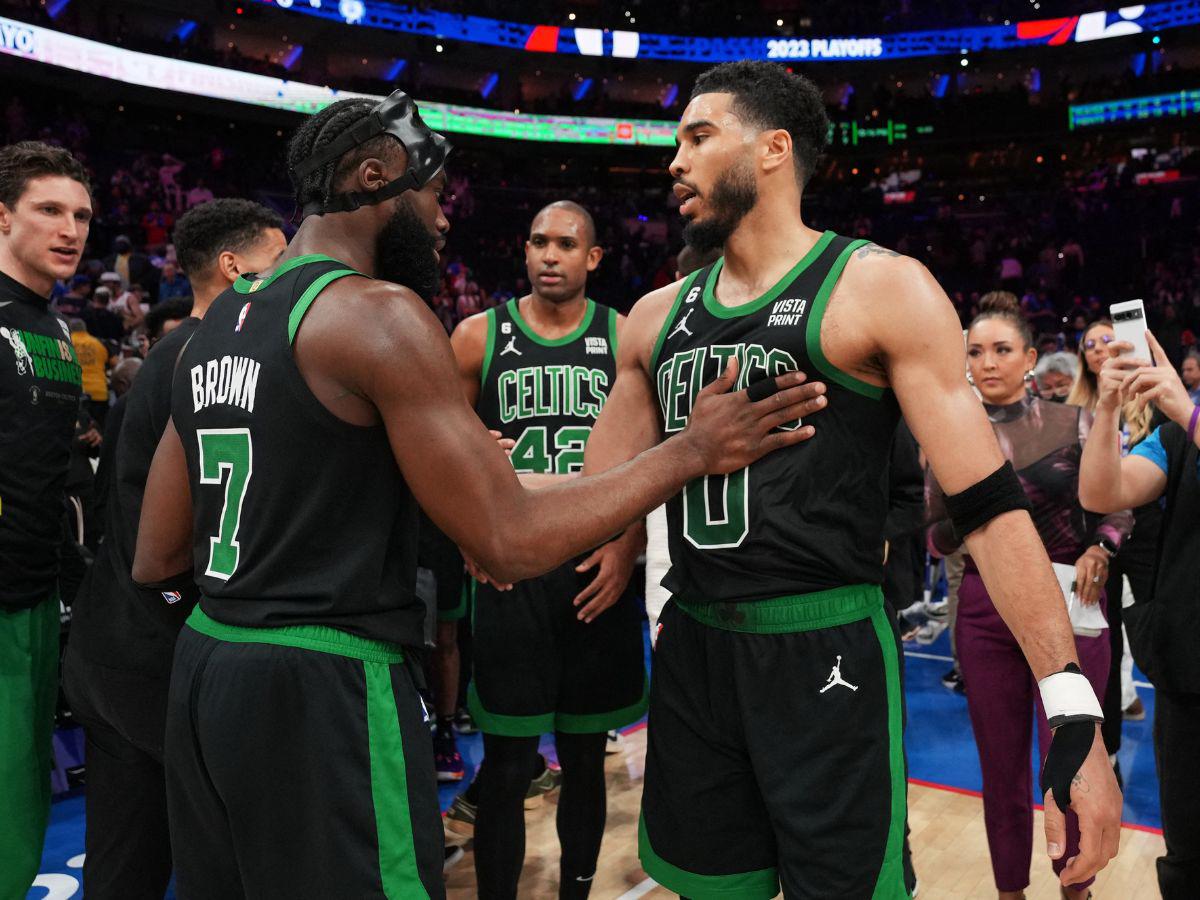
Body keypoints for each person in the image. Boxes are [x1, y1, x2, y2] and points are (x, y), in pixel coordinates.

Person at [131, 91, 824, 898]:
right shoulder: (378, 315)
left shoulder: (209, 329)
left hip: (206, 669)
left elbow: (158, 554)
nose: (443, 219)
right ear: (375, 174)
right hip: (326, 682)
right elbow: (510, 541)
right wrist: (693, 450)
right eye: (433, 194)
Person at [576, 61, 1122, 897]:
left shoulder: (881, 288)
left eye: (697, 135)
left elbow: (987, 506)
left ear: (773, 149)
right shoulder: (653, 318)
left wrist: (1072, 707)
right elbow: (591, 494)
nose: (673, 162)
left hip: (824, 642)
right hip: (692, 646)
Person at [63, 198, 285, 900]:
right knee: (221, 867)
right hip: (162, 652)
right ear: (233, 267)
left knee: (122, 865)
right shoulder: (211, 359)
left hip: (107, 642)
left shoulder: (163, 359)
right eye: (279, 264)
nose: (293, 282)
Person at [449, 200, 645, 897]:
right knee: (506, 761)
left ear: (593, 258)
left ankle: (576, 892)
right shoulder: (477, 337)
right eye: (538, 241)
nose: (549, 255)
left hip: (595, 572)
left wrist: (629, 547)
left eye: (566, 243)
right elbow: (437, 451)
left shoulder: (624, 337)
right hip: (514, 577)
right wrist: (472, 531)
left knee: (587, 758)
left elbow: (646, 458)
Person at [925, 294, 1131, 899]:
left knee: (1070, 765)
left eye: (1002, 350)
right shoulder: (949, 438)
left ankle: (1077, 888)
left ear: (1030, 359)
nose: (987, 362)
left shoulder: (1076, 423)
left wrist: (1102, 547)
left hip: (1072, 603)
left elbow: (1116, 503)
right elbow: (936, 539)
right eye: (976, 351)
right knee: (1000, 770)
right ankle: (1009, 892)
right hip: (986, 613)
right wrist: (979, 511)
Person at [1079, 329, 1200, 898]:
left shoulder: (1184, 419)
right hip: (1190, 672)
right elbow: (1103, 492)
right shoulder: (1176, 435)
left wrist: (1182, 407)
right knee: (1188, 853)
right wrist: (1106, 409)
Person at [0, 139, 90, 899]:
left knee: (19, 797)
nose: (71, 228)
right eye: (50, 211)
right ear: (3, 218)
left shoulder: (58, 331)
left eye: (82, 215)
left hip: (34, 599)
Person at [1069, 317, 1157, 759]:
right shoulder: (1071, 411)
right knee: (1097, 645)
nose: (1100, 348)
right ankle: (1099, 750)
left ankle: (1116, 741)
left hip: (1144, 543)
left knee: (1138, 638)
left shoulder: (1152, 406)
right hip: (1087, 545)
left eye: (1108, 339)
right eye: (1090, 344)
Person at [70, 316, 110, 426]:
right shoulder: (98, 343)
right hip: (100, 393)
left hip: (77, 393)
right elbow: (111, 361)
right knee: (98, 433)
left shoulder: (66, 341)